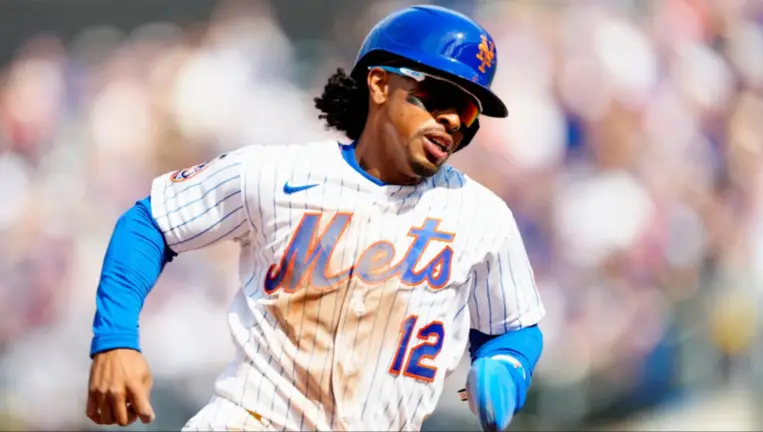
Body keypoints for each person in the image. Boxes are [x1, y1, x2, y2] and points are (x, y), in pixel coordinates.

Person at [85, 5, 545, 432]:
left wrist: (507, 363)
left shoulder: (482, 217)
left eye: (468, 110)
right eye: (439, 96)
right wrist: (116, 338)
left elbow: (514, 328)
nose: (453, 121)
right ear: (380, 84)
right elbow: (150, 222)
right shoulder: (277, 174)